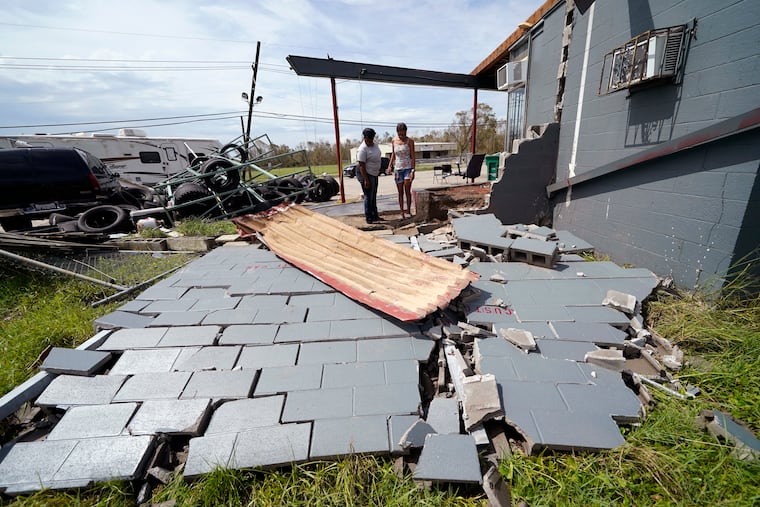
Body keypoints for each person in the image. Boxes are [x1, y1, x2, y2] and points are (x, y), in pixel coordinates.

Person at [387, 122, 416, 219]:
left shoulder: (410, 141)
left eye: (403, 134)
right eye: (400, 134)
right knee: (400, 192)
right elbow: (393, 155)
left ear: (406, 132)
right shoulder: (394, 141)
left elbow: (413, 156)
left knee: (407, 190)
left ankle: (408, 210)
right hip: (398, 169)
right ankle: (401, 212)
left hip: (407, 168)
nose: (402, 136)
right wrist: (390, 165)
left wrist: (413, 170)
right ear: (397, 132)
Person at [356, 127, 382, 224]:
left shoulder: (374, 145)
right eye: (369, 139)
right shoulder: (362, 149)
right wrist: (366, 180)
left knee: (373, 195)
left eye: (372, 138)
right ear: (365, 138)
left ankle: (375, 215)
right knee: (368, 196)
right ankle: (369, 217)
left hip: (374, 173)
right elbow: (361, 166)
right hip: (366, 174)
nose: (371, 141)